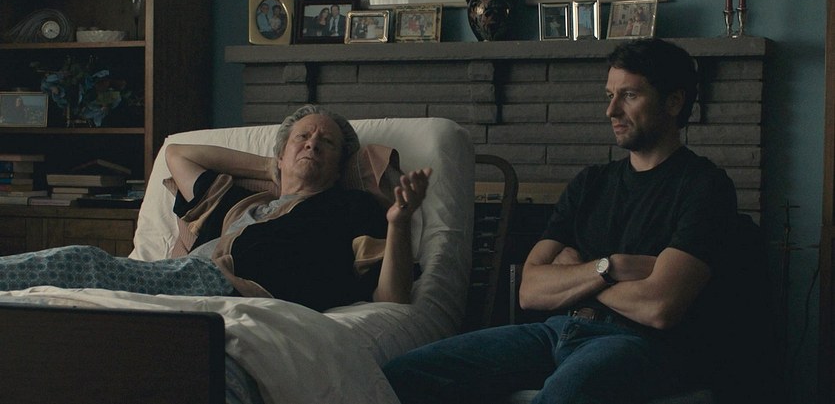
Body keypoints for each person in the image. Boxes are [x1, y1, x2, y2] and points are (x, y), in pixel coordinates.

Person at [383, 39, 756, 403]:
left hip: (641, 343)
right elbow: (530, 290)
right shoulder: (591, 183)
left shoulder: (704, 186)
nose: (611, 110)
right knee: (405, 374)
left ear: (673, 102)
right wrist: (611, 267)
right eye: (609, 95)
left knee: (564, 395)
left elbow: (659, 307)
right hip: (558, 330)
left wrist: (576, 275)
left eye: (629, 95)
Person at [0, 105, 431, 312]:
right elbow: (177, 153)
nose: (312, 144)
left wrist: (399, 223)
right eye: (302, 137)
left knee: (82, 263)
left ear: (340, 166)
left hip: (226, 288)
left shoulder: (351, 207)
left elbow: (391, 297)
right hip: (178, 279)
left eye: (327, 142)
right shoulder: (238, 202)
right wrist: (271, 169)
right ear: (282, 154)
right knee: (63, 295)